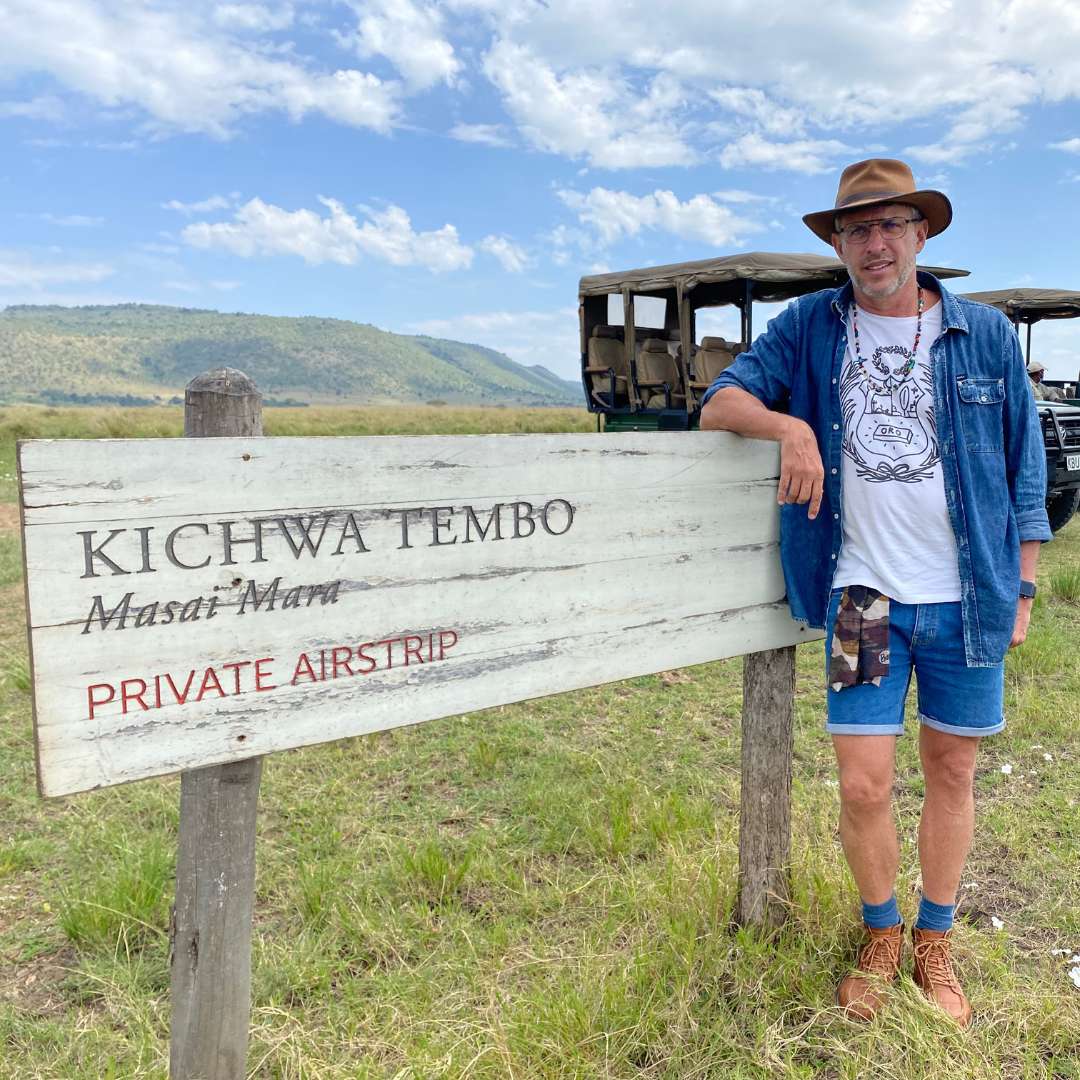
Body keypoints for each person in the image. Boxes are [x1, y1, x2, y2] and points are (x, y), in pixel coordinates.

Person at [700, 158, 1051, 1027]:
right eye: (857, 229)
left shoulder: (986, 335)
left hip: (968, 599)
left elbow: (1025, 464)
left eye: (892, 224)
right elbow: (719, 401)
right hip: (865, 602)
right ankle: (881, 932)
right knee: (862, 784)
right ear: (838, 244)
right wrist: (789, 426)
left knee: (953, 769)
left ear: (922, 233)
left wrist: (1027, 586)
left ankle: (936, 938)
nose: (876, 242)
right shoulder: (811, 328)